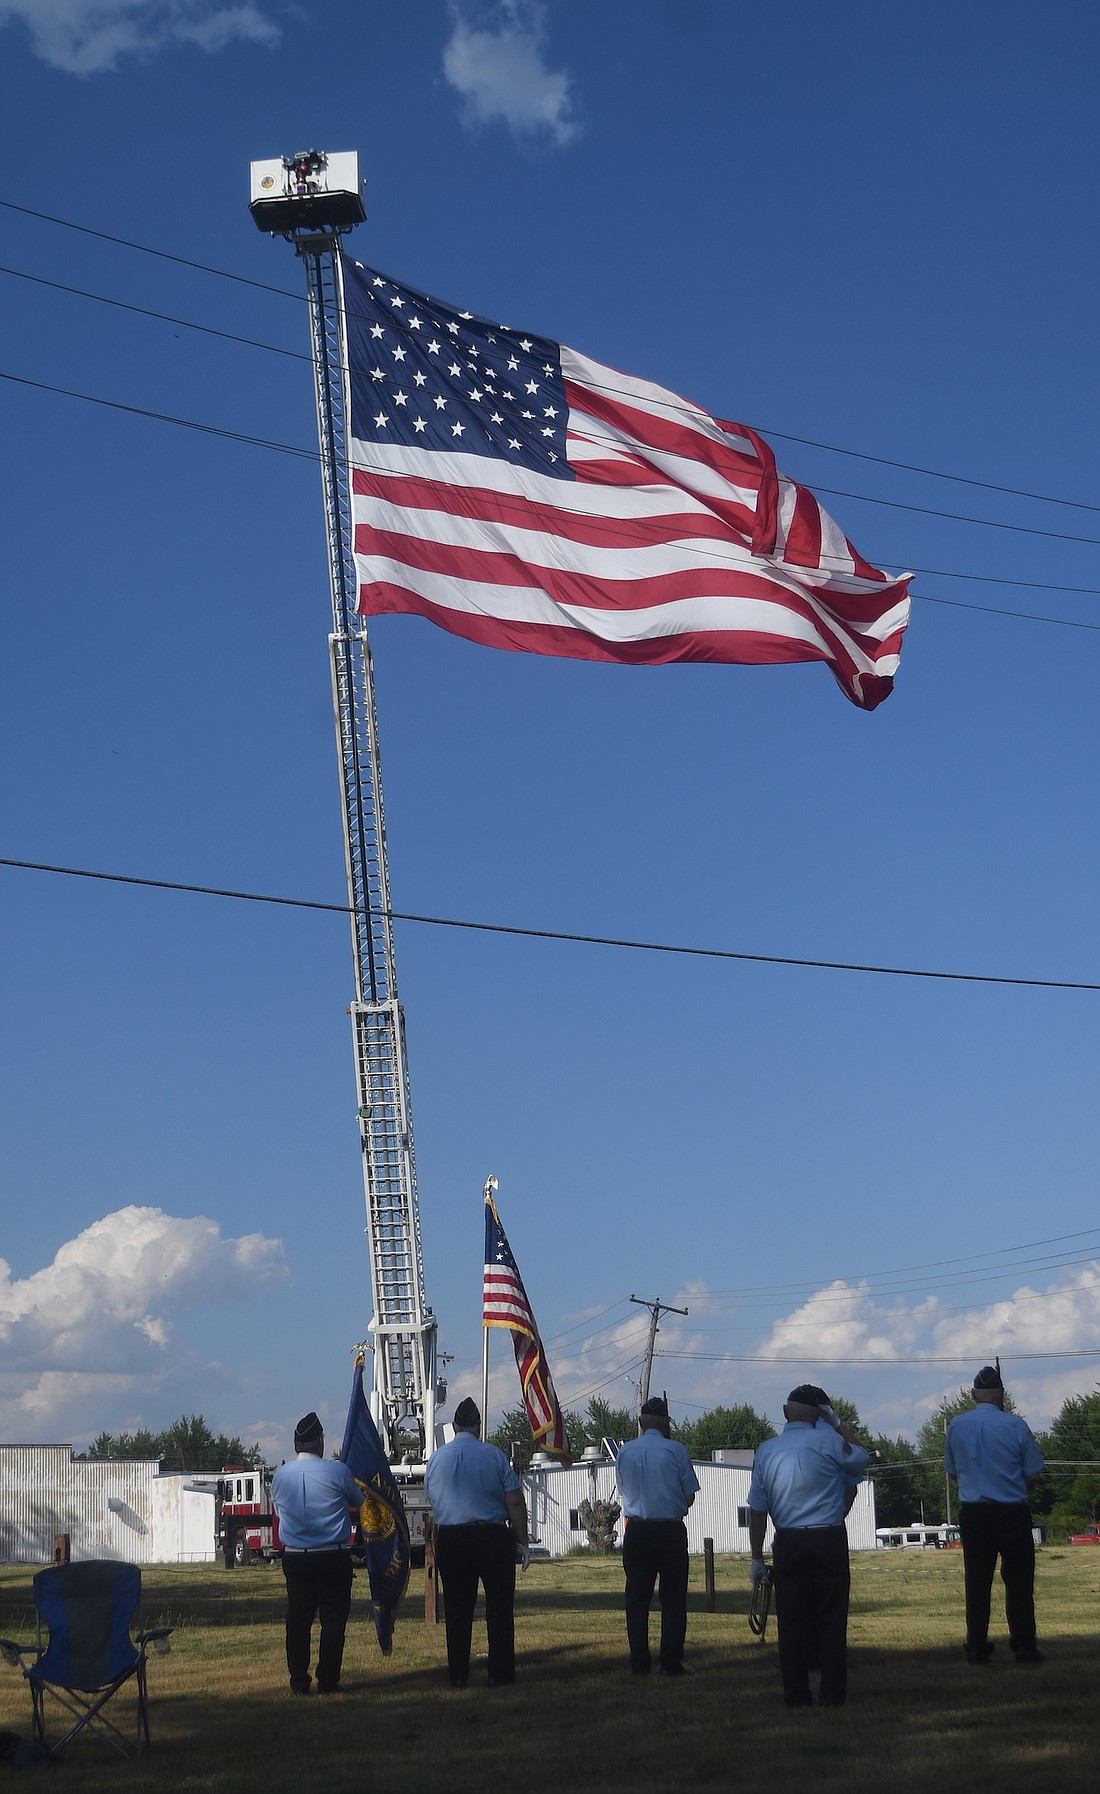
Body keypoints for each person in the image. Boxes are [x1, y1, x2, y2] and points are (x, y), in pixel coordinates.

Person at [747, 1384, 868, 1709]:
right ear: (818, 1415)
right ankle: (832, 1694)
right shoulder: (829, 1439)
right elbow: (860, 1459)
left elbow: (757, 1510)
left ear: (786, 1413)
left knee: (791, 1620)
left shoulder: (767, 1450)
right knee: (831, 1617)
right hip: (827, 1537)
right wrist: (837, 1422)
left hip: (788, 1540)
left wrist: (757, 1558)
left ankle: (796, 1694)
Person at [424, 1397, 530, 1688]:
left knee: (457, 1609)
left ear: (455, 1425)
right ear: (477, 1426)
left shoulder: (437, 1458)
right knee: (499, 1607)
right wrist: (522, 1542)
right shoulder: (493, 1455)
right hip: (491, 1536)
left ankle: (458, 1675)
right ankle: (501, 1673)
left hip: (452, 1537)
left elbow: (432, 1498)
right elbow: (514, 1501)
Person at [944, 1365, 1045, 1664]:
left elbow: (952, 1474)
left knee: (977, 1582)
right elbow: (1033, 1473)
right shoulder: (1016, 1425)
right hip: (1011, 1510)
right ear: (1002, 1395)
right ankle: (1024, 1646)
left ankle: (976, 1645)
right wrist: (1015, 1491)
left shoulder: (957, 1426)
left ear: (974, 1394)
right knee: (1019, 1582)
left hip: (974, 1513)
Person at [270, 1411, 363, 1696]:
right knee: (333, 1620)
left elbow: (278, 1508)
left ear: (297, 1444)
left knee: (298, 1620)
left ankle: (299, 1680)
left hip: (296, 1556)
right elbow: (358, 1501)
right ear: (319, 1442)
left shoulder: (281, 1475)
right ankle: (328, 1679)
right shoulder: (337, 1471)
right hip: (332, 1555)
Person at [614, 1395, 700, 1676]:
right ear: (666, 1423)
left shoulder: (625, 1452)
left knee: (636, 1599)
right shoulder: (676, 1450)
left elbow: (624, 1489)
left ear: (640, 1422)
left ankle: (639, 1662)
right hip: (670, 1530)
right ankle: (670, 1662)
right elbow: (688, 1496)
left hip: (637, 1529)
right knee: (673, 1599)